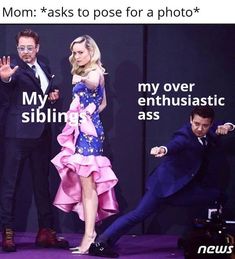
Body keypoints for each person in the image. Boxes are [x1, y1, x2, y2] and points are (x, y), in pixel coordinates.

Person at [89, 106, 234, 258]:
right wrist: (163, 149)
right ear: (190, 120)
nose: (199, 128)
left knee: (216, 196)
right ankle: (100, 243)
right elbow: (174, 145)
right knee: (137, 215)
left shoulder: (210, 129)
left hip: (181, 189)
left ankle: (196, 239)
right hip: (163, 186)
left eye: (204, 125)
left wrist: (228, 127)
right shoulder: (184, 136)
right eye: (196, 123)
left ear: (211, 124)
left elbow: (225, 124)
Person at [0, 29, 69, 252]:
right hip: (17, 135)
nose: (26, 52)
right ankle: (7, 232)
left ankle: (46, 232)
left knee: (42, 185)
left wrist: (53, 94)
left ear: (37, 48)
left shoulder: (44, 68)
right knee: (9, 185)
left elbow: (42, 95)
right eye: (22, 48)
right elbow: (9, 86)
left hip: (41, 134)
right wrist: (6, 78)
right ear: (17, 48)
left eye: (30, 48)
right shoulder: (14, 70)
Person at [51, 35, 119, 255]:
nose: (76, 56)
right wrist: (85, 115)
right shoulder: (83, 71)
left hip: (89, 135)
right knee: (85, 186)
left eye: (80, 52)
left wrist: (80, 82)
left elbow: (92, 83)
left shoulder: (95, 72)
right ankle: (89, 234)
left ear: (91, 51)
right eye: (74, 52)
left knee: (88, 186)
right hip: (83, 130)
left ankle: (89, 236)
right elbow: (104, 102)